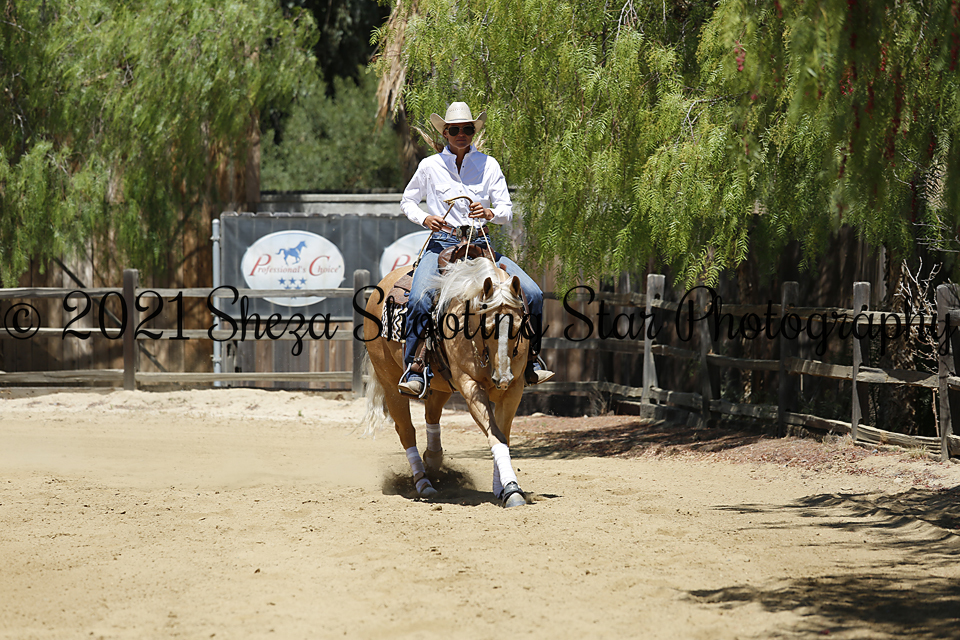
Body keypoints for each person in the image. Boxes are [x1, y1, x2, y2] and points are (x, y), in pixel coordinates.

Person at [397, 102, 554, 397]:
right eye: (455, 129)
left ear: (472, 132)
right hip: (442, 244)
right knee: (418, 298)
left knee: (533, 293)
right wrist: (425, 218)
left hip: (481, 244)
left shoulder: (488, 164)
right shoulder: (429, 166)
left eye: (467, 129)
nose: (461, 134)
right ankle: (415, 368)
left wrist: (491, 212)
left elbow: (506, 209)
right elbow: (408, 201)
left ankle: (531, 360)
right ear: (445, 132)